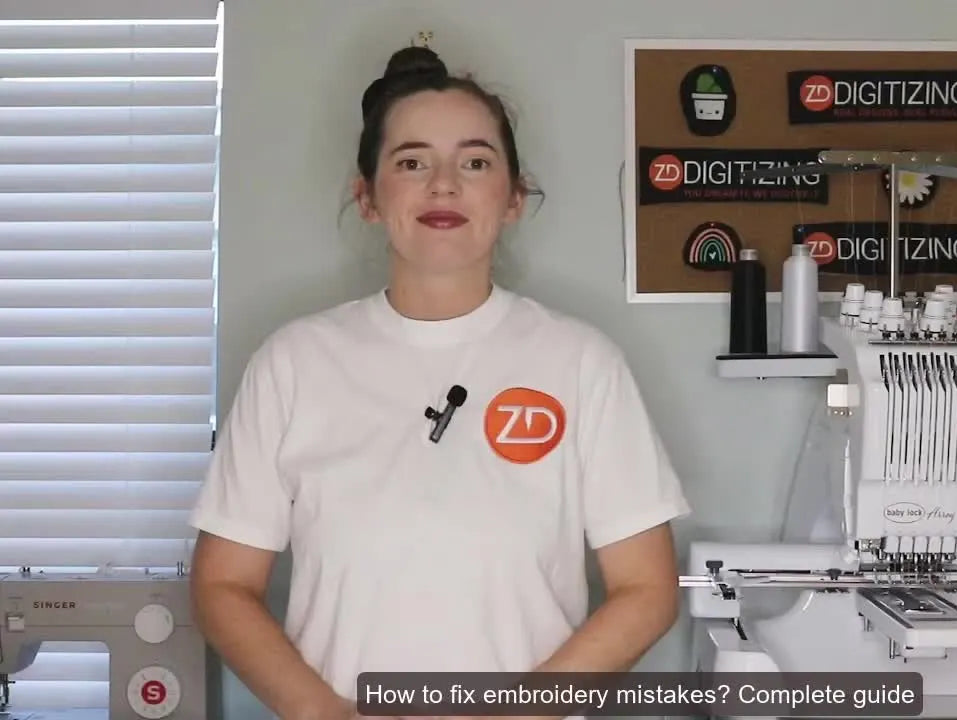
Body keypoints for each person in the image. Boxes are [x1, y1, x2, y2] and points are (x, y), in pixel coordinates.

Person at [186, 42, 690, 720]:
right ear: (367, 196)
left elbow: (646, 589)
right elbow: (223, 585)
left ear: (513, 197)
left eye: (475, 162)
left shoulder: (582, 363)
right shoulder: (293, 363)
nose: (444, 185)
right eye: (412, 162)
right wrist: (324, 714)